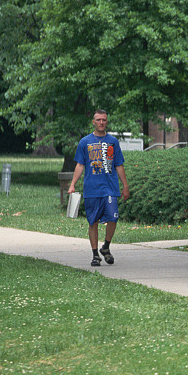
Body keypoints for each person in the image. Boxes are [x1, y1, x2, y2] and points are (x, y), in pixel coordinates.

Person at [68, 109, 131, 267]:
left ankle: (106, 247)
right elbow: (80, 164)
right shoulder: (85, 142)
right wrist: (73, 184)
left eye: (104, 120)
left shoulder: (113, 142)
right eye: (98, 120)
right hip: (92, 189)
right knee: (93, 221)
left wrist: (125, 186)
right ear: (93, 122)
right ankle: (95, 254)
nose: (101, 122)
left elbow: (119, 165)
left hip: (110, 188)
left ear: (106, 122)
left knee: (113, 217)